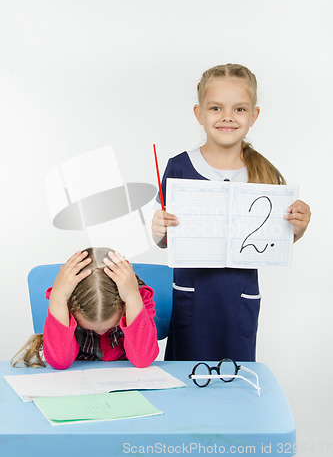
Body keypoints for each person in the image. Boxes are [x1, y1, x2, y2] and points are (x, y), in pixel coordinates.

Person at [151, 63, 311, 362]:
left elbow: (273, 241)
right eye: (215, 108)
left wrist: (297, 229)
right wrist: (159, 231)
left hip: (238, 301)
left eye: (239, 109)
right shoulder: (179, 167)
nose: (227, 117)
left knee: (235, 385)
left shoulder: (264, 172)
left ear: (254, 115)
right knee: (187, 382)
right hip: (193, 300)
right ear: (199, 113)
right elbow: (167, 241)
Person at [12, 247, 158, 369]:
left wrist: (132, 298)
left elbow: (142, 359)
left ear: (124, 303)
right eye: (91, 329)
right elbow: (59, 362)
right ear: (71, 307)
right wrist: (58, 298)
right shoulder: (64, 301)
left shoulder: (137, 298)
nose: (100, 332)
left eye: (110, 326)